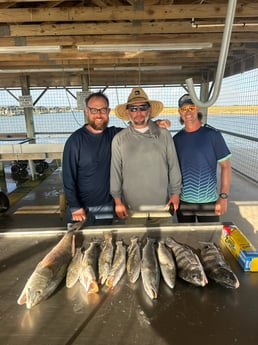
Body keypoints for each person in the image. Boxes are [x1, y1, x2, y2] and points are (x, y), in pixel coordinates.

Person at [62, 91, 171, 226]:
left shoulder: (115, 135)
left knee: (104, 243)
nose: (98, 114)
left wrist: (154, 123)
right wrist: (74, 206)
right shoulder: (75, 141)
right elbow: (68, 177)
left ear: (108, 111)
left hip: (107, 207)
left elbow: (137, 128)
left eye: (102, 110)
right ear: (86, 111)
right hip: (81, 209)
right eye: (93, 110)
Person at [110, 87, 182, 225]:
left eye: (143, 107)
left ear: (149, 110)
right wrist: (117, 201)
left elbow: (173, 165)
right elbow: (115, 172)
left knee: (165, 244)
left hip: (162, 205)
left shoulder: (164, 134)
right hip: (132, 207)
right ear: (127, 112)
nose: (138, 112)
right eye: (133, 108)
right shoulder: (119, 139)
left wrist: (175, 193)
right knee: (134, 244)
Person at [173, 93, 232, 223]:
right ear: (179, 112)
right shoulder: (177, 139)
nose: (188, 112)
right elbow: (173, 170)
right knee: (185, 239)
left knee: (210, 240)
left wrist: (223, 197)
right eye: (184, 109)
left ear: (198, 109)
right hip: (184, 202)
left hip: (209, 201)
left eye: (191, 108)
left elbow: (226, 166)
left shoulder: (213, 135)